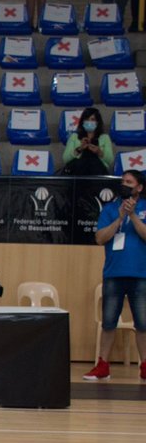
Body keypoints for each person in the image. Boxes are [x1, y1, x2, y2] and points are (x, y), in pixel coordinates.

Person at [87, 169, 146, 382]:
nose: (124, 184)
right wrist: (120, 216)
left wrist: (132, 216)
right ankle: (102, 366)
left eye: (129, 182)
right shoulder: (111, 209)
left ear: (139, 187)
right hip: (113, 273)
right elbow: (100, 238)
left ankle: (144, 366)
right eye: (122, 181)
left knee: (143, 323)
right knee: (109, 322)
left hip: (141, 274)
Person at [63, 108, 114, 175]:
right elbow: (65, 159)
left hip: (98, 173)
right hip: (77, 174)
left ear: (97, 122)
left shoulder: (104, 138)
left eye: (92, 119)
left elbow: (110, 161)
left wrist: (99, 152)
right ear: (82, 122)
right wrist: (80, 149)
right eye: (87, 119)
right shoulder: (74, 137)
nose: (89, 122)